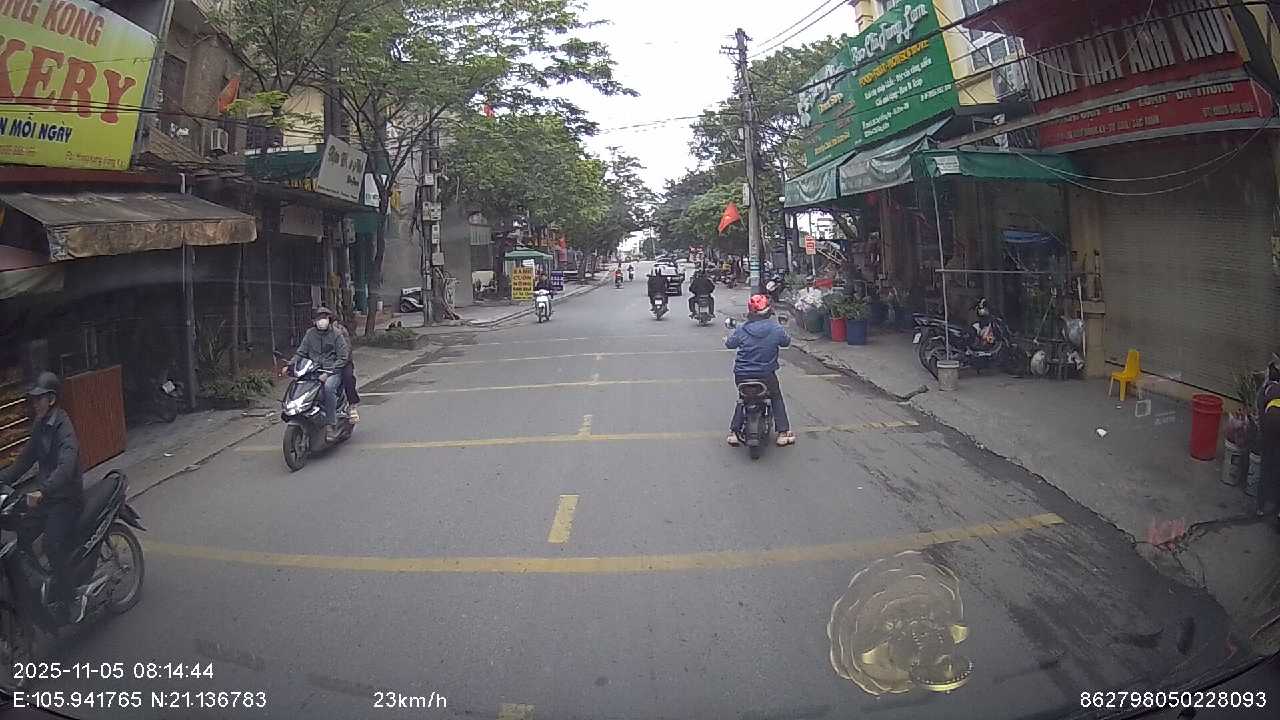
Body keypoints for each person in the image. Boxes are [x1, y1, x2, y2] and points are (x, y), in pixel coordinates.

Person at [0, 371, 84, 619]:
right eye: (33, 398)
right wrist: (2, 479)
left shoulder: (63, 426)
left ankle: (72, 599)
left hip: (66, 498)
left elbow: (67, 466)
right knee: (23, 536)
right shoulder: (40, 426)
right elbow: (24, 460)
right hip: (47, 497)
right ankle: (44, 583)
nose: (34, 403)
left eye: (39, 398)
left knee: (51, 545)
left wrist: (43, 490)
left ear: (51, 399)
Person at [725, 294, 795, 447]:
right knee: (776, 397)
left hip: (742, 375)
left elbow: (730, 344)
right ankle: (783, 432)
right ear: (768, 311)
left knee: (742, 398)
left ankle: (734, 432)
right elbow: (786, 342)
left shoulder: (741, 328)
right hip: (766, 375)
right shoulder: (776, 328)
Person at [284, 306, 350, 434]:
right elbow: (301, 352)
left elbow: (343, 357)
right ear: (314, 321)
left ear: (329, 319)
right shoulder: (310, 334)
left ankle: (331, 423)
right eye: (319, 318)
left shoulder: (336, 334)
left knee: (328, 388)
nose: (321, 321)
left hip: (332, 371)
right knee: (299, 385)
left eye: (324, 318)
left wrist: (328, 373)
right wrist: (290, 365)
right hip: (312, 370)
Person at [1256, 356, 1280, 525]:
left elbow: (1259, 410)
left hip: (1268, 435)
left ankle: (1260, 506)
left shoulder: (1267, 389)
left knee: (1265, 468)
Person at [333, 320, 360, 423]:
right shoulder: (313, 333)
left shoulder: (340, 331)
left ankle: (352, 405)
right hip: (323, 363)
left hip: (343, 362)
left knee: (348, 377)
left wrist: (339, 362)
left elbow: (346, 350)